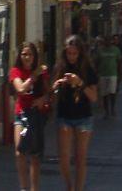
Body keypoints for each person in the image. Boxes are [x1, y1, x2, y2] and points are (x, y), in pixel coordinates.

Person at [51, 35, 98, 191]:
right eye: (68, 53)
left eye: (74, 53)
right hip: (64, 115)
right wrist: (57, 85)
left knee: (80, 158)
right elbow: (52, 94)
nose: (71, 57)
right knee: (63, 158)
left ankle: (78, 188)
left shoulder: (87, 69)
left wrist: (80, 83)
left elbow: (94, 97)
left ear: (80, 53)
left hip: (84, 116)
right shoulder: (60, 67)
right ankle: (69, 186)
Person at [9, 42, 49, 191]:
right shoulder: (15, 71)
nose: (27, 57)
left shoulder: (42, 73)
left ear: (35, 56)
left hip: (37, 115)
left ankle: (34, 188)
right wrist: (33, 76)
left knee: (35, 154)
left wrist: (42, 100)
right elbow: (20, 89)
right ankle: (23, 187)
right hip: (22, 114)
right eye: (24, 54)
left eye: (30, 54)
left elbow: (48, 93)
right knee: (20, 151)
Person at [94, 36, 121, 118]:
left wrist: (120, 74)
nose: (107, 42)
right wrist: (96, 72)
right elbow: (96, 62)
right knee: (104, 94)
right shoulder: (100, 50)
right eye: (106, 41)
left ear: (111, 41)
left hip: (113, 74)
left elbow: (119, 62)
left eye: (109, 41)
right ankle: (107, 111)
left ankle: (112, 109)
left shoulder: (116, 50)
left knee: (112, 93)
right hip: (103, 75)